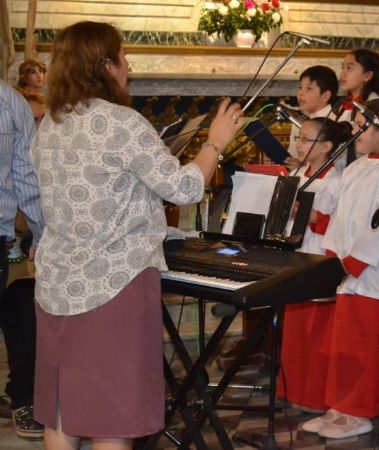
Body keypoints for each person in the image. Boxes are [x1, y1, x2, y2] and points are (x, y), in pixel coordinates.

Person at [29, 21, 244, 450]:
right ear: (105, 64)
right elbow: (183, 188)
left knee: (62, 411)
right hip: (114, 284)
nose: (128, 64)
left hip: (57, 283)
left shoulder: (51, 124)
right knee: (112, 417)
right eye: (122, 55)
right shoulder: (121, 123)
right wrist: (214, 143)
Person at [303, 98, 379, 439]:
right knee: (346, 343)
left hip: (373, 272)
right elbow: (340, 218)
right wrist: (333, 258)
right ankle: (341, 405)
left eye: (362, 125)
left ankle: (362, 410)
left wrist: (353, 263)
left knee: (366, 343)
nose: (355, 131)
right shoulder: (356, 167)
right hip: (347, 271)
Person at [278, 118, 351, 412]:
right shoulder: (296, 173)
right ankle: (292, 390)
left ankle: (316, 397)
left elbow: (338, 224)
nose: (299, 144)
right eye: (299, 138)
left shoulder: (337, 181)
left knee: (317, 335)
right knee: (295, 335)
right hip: (294, 257)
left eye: (307, 140)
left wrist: (306, 214)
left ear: (326, 147)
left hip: (318, 258)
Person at [0, 80, 46, 439]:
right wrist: (45, 236)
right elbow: (28, 182)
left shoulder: (11, 102)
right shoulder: (9, 100)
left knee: (22, 307)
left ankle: (24, 396)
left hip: (9, 242)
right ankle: (23, 398)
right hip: (7, 239)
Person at [286, 65, 339, 165]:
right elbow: (292, 153)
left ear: (325, 96)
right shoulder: (299, 120)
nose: (300, 93)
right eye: (300, 87)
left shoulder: (334, 123)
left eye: (309, 88)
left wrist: (300, 168)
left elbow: (336, 163)